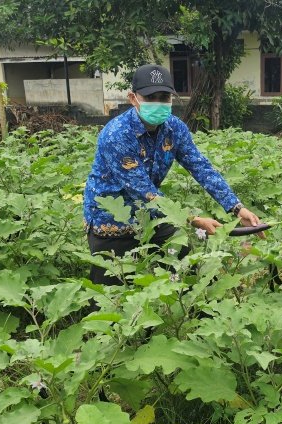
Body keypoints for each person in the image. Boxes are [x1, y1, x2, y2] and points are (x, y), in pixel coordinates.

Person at [83, 64, 261, 285]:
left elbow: (200, 167)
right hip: (111, 223)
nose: (159, 102)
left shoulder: (174, 128)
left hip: (152, 215)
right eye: (151, 97)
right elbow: (143, 192)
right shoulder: (116, 135)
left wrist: (236, 207)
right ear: (132, 98)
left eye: (164, 97)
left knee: (188, 268)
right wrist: (192, 220)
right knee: (112, 292)